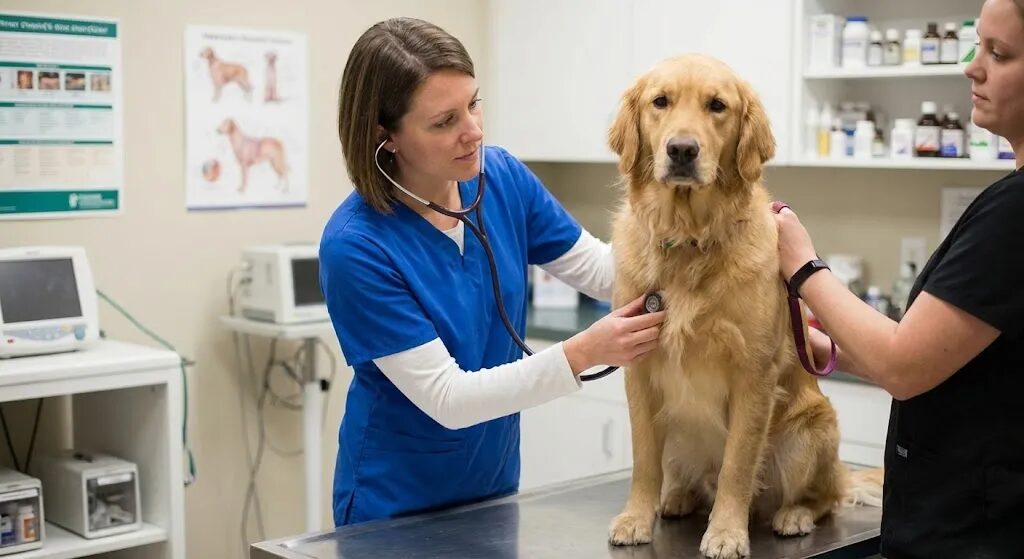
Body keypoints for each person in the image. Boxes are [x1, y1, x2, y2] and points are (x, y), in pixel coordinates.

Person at [321, 17, 665, 527]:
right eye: (444, 121)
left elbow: (601, 271)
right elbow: (449, 398)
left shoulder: (500, 176)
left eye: (474, 104)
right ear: (384, 135)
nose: (474, 132)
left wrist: (702, 247)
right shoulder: (357, 246)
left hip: (494, 487)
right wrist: (585, 352)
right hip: (393, 506)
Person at [773, 1, 1024, 556]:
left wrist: (802, 266)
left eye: (999, 53)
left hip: (972, 536)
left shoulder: (1015, 214)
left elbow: (902, 366)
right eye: (977, 45)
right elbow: (936, 358)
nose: (971, 67)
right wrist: (803, 344)